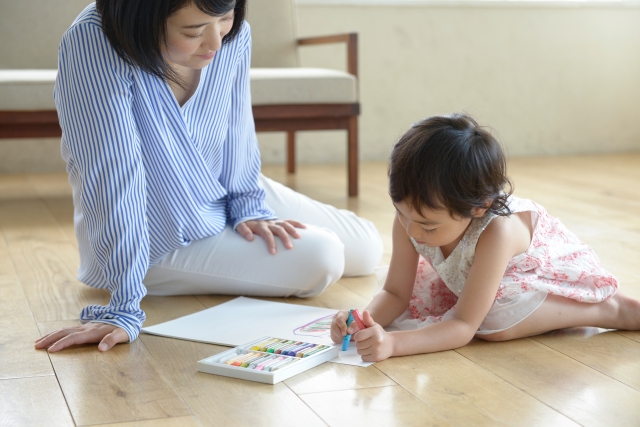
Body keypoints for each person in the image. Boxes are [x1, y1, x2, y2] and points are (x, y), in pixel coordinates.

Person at [35, 0, 382, 353]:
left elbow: (237, 127)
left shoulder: (233, 36)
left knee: (367, 246)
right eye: (194, 31)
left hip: (218, 189)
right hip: (155, 231)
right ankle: (140, 276)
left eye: (226, 19)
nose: (216, 42)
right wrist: (123, 306)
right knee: (324, 257)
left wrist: (248, 206)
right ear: (144, 15)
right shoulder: (94, 42)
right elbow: (113, 180)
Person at [331, 113, 640, 362]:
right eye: (401, 214)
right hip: (482, 276)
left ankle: (611, 309)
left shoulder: (497, 231)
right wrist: (362, 321)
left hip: (537, 271)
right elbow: (396, 293)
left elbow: (464, 326)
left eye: (428, 226)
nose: (411, 231)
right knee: (412, 307)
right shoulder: (413, 219)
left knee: (493, 322)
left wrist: (392, 345)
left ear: (479, 208)